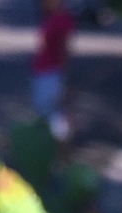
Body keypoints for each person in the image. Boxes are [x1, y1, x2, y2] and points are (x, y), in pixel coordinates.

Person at [31, 0, 77, 142]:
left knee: (52, 112)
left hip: (51, 72)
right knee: (45, 111)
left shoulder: (62, 19)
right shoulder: (50, 16)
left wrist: (63, 76)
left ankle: (59, 147)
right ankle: (47, 147)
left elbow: (65, 49)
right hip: (42, 70)